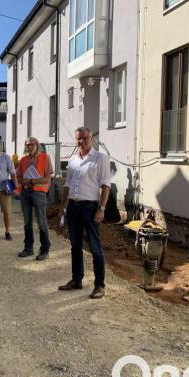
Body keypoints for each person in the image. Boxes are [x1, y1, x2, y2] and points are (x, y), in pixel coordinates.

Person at [58, 127, 111, 299]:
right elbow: (67, 184)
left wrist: (101, 209)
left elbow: (106, 186)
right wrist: (62, 206)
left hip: (90, 208)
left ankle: (99, 286)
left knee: (95, 247)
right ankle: (76, 280)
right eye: (78, 139)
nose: (81, 141)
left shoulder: (100, 159)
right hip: (73, 207)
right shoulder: (73, 159)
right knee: (75, 246)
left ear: (91, 139)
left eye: (85, 138)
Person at [16, 136, 53, 260]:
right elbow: (18, 177)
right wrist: (23, 181)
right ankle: (28, 248)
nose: (30, 146)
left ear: (37, 145)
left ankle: (44, 250)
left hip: (39, 194)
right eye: (27, 144)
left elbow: (47, 178)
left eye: (32, 144)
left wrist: (32, 181)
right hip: (25, 193)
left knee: (42, 222)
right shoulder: (23, 160)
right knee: (27, 223)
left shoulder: (45, 158)